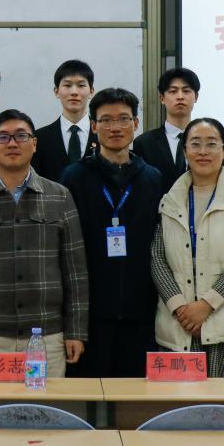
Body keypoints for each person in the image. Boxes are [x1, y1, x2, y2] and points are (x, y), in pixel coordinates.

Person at [0, 110, 89, 376]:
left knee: (48, 404)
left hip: (47, 336)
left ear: (34, 144)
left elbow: (75, 272)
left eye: (21, 136)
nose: (12, 144)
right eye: (3, 137)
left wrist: (76, 331)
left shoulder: (59, 197)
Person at [60, 88, 162, 377]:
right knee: (89, 392)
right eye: (106, 120)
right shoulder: (74, 177)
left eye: (123, 119)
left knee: (135, 394)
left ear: (136, 124)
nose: (115, 127)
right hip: (91, 313)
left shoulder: (152, 178)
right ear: (93, 126)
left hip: (141, 311)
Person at [150, 118, 224, 377]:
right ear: (185, 151)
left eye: (211, 144)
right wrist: (180, 308)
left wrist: (205, 306)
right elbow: (157, 258)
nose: (203, 151)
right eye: (195, 144)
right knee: (177, 402)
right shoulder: (168, 201)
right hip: (176, 327)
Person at [132, 67, 200, 193]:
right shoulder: (144, 143)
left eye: (186, 91)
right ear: (162, 98)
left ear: (196, 96)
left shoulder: (211, 141)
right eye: (173, 91)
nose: (180, 96)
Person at [32, 59, 97, 179]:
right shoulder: (39, 138)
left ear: (91, 91)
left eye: (81, 85)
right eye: (67, 85)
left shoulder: (104, 135)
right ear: (56, 91)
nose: (74, 92)